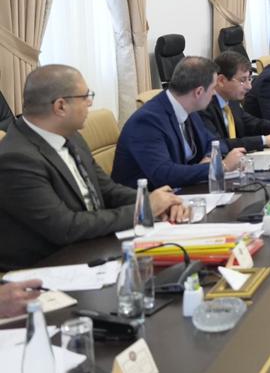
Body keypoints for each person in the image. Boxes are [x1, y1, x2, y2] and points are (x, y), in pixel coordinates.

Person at [0, 65, 187, 270]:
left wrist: (158, 202)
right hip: (48, 267)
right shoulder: (16, 159)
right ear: (61, 106)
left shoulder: (71, 135)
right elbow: (65, 227)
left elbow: (108, 190)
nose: (90, 102)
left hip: (91, 247)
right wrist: (144, 210)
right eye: (85, 96)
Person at [113, 56, 248, 189]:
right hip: (148, 198)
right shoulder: (147, 121)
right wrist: (220, 166)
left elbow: (217, 143)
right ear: (199, 92)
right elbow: (164, 174)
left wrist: (209, 157)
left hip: (185, 189)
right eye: (213, 88)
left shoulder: (188, 108)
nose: (213, 94)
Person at [197, 52, 270, 151]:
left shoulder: (231, 100)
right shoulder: (203, 106)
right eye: (242, 80)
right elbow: (218, 145)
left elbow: (254, 124)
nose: (249, 87)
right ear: (221, 81)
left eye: (249, 79)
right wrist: (266, 140)